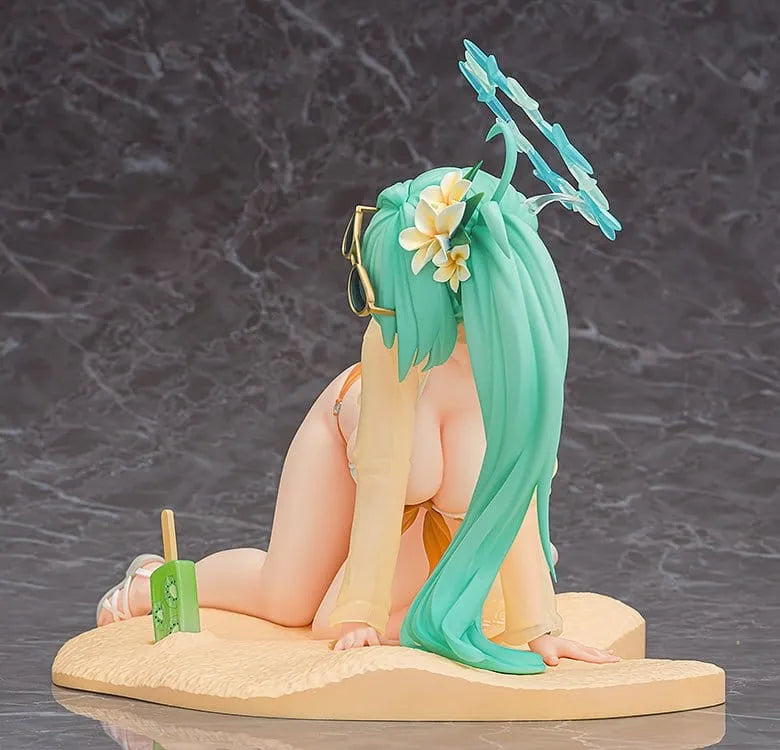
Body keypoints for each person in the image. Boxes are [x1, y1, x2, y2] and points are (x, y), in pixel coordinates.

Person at [96, 42, 623, 674]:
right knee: (291, 602)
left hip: (428, 510)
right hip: (356, 451)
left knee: (430, 613)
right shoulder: (395, 359)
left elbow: (515, 497)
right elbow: (381, 488)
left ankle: (445, 605)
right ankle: (152, 581)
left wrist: (540, 629)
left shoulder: (511, 375)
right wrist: (362, 614)